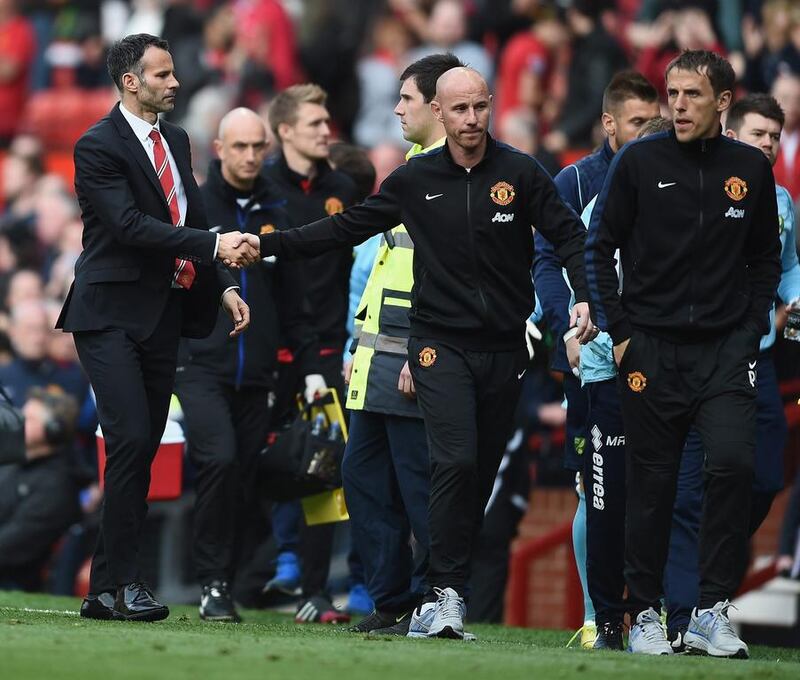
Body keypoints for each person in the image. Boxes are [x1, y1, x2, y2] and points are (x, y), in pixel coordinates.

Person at [247, 67, 595, 639]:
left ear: (490, 106)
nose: (471, 120)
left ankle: (442, 590)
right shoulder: (415, 179)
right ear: (441, 110)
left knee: (477, 474)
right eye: (459, 110)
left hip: (504, 349)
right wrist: (267, 247)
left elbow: (570, 237)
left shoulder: (519, 172)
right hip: (437, 345)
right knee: (452, 461)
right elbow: (345, 229)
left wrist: (585, 297)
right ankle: (444, 593)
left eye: (480, 107)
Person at [585, 50, 782, 657]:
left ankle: (710, 611)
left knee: (732, 468)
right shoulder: (640, 160)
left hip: (725, 350)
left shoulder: (750, 167)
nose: (676, 105)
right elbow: (599, 247)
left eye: (691, 94)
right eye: (672, 93)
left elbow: (764, 259)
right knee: (652, 484)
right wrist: (621, 333)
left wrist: (749, 330)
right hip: (651, 348)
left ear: (723, 102)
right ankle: (644, 612)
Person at [55, 33, 257, 622]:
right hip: (109, 311)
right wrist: (215, 244)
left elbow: (189, 212)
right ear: (131, 82)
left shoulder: (177, 140)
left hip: (162, 312)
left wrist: (220, 283)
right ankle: (128, 583)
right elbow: (129, 227)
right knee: (133, 441)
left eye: (173, 73)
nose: (176, 82)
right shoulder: (96, 145)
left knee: (138, 451)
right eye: (163, 74)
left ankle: (104, 590)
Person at [175, 107, 323, 622]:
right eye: (239, 146)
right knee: (217, 459)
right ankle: (213, 581)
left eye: (258, 146)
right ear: (219, 149)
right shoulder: (195, 207)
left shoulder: (278, 212)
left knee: (242, 475)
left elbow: (295, 303)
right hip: (199, 363)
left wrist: (308, 369)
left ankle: (228, 582)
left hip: (259, 374)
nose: (250, 156)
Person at [663, 92, 800, 646]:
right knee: (692, 486)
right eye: (758, 133)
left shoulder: (785, 199)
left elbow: (790, 264)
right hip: (695, 352)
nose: (767, 143)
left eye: (775, 135)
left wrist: (795, 301)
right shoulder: (704, 181)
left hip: (757, 355)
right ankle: (681, 612)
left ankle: (704, 579)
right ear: (731, 131)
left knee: (762, 476)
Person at [533, 70, 660, 650]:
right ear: (609, 123)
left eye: (651, 121)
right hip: (590, 351)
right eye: (636, 123)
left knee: (653, 482)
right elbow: (544, 260)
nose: (649, 131)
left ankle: (654, 613)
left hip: (653, 352)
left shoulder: (669, 175)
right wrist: (567, 324)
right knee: (595, 483)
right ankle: (595, 615)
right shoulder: (575, 182)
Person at [343, 53, 461, 637]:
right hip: (374, 362)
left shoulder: (452, 176)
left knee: (419, 489)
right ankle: (391, 600)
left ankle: (430, 601)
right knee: (364, 481)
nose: (395, 108)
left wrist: (423, 350)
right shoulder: (414, 170)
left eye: (406, 99)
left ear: (437, 106)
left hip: (414, 362)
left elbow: (447, 278)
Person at [263, 83, 359, 624]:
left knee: (323, 467)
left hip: (323, 351)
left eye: (327, 121)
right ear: (285, 131)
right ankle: (235, 578)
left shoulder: (342, 188)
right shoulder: (262, 187)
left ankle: (316, 591)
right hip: (264, 353)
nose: (327, 130)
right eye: (316, 123)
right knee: (241, 462)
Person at [0, 388, 80, 591]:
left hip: (14, 582)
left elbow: (12, 545)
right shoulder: (11, 464)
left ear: (53, 430)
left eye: (29, 418)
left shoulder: (56, 485)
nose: (18, 423)